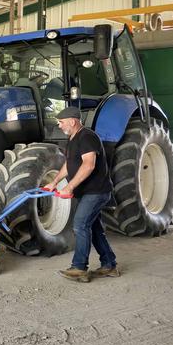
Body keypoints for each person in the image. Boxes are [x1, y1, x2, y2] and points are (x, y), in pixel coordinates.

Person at [44, 106, 120, 283]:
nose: (59, 125)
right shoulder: (73, 138)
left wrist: (69, 187)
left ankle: (79, 268)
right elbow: (69, 165)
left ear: (72, 121)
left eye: (61, 122)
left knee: (79, 225)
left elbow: (88, 165)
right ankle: (109, 265)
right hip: (87, 192)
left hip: (97, 192)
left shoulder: (87, 137)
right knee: (94, 228)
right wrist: (54, 182)